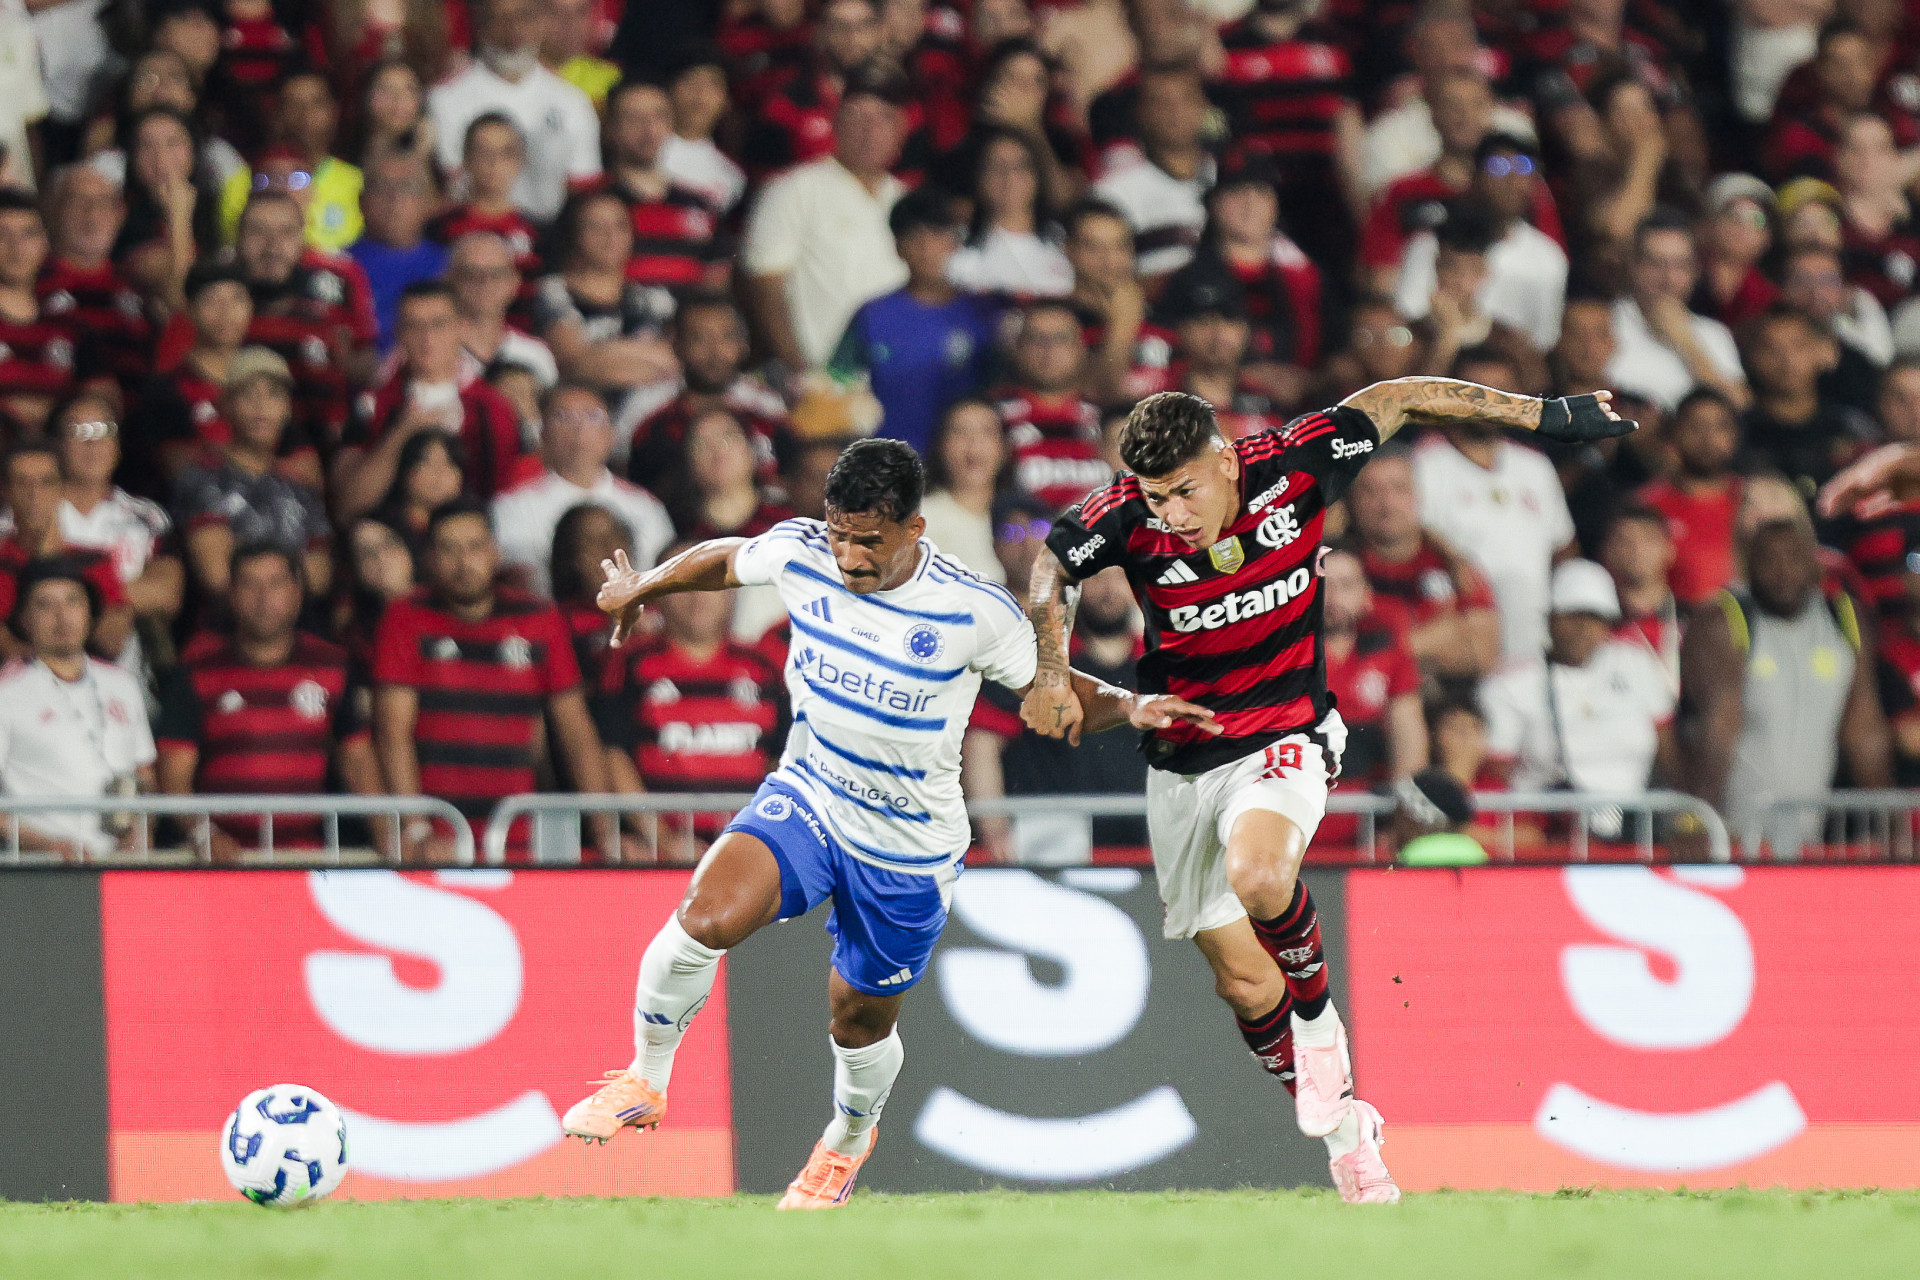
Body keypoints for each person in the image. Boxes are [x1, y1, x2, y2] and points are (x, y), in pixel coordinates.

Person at [1024, 379, 1634, 1202]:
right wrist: (1053, 670)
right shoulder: (1123, 516)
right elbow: (1049, 568)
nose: (1169, 513)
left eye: (1184, 491)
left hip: (1286, 735)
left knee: (1263, 876)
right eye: (1155, 496)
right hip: (1180, 762)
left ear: (1227, 459)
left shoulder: (1298, 464)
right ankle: (1350, 1135)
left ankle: (1319, 1030)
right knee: (1242, 983)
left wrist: (1542, 415)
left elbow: (1400, 396)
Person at [568, 438, 1211, 1207]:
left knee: (857, 1020)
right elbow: (729, 555)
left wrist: (1134, 706)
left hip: (909, 848)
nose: (848, 554)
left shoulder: (973, 610)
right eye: (838, 533)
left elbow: (1060, 686)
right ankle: (646, 1077)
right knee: (704, 916)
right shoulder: (803, 552)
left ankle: (847, 1137)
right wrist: (647, 585)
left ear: (914, 529)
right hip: (811, 795)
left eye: (867, 540)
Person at [371, 498, 625, 859]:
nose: (463, 563)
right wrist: (416, 829)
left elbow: (577, 734)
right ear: (429, 558)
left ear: (494, 553)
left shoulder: (539, 618)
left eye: (474, 547)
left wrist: (605, 831)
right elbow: (393, 734)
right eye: (449, 549)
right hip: (438, 841)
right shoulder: (405, 617)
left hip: (517, 835)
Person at [1681, 515, 1891, 855]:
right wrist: (1697, 821)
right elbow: (1717, 731)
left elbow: (1864, 732)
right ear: (1748, 566)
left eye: (1793, 558)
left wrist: (1887, 823)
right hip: (1736, 838)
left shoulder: (1844, 620)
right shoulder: (1723, 619)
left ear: (1814, 563)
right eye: (1768, 560)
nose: (1782, 573)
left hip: (1809, 837)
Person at [156, 542, 378, 858]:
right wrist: (205, 836)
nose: (264, 598)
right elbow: (174, 776)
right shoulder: (196, 672)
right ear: (231, 595)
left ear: (297, 593)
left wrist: (390, 837)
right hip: (222, 861)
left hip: (307, 859)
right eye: (249, 585)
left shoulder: (332, 665)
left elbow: (358, 762)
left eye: (276, 583)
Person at [594, 563, 785, 852]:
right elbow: (614, 757)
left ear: (731, 593)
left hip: (748, 850)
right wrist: (663, 841)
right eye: (681, 583)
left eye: (709, 583)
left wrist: (753, 841)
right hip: (658, 859)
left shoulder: (765, 667)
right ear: (656, 593)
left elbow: (781, 761)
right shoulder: (628, 665)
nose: (697, 596)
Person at [964, 564, 1148, 862]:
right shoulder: (1037, 657)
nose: (1110, 589)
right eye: (1098, 577)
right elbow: (982, 742)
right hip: (1048, 853)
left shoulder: (1159, 666)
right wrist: (994, 829)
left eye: (1121, 577)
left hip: (1144, 852)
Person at [740, 64, 911, 372]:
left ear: (900, 130)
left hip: (896, 376)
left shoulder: (907, 200)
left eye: (882, 118)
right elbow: (766, 286)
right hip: (821, 377)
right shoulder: (793, 189)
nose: (869, 130)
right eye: (857, 117)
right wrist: (801, 370)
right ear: (836, 124)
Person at [1480, 560, 1676, 814]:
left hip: (1633, 830)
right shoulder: (1510, 684)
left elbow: (1669, 753)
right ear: (1550, 620)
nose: (1583, 628)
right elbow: (1498, 772)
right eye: (1572, 616)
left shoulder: (1636, 665)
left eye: (1595, 618)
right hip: (1548, 832)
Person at [335, 281, 532, 519]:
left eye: (438, 325)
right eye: (414, 326)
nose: (427, 338)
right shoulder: (371, 405)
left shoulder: (496, 408)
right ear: (399, 333)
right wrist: (402, 432)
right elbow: (348, 508)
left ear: (461, 328)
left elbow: (513, 501)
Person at [0, 560, 154, 859]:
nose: (62, 616)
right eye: (45, 605)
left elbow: (144, 774)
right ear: (24, 619)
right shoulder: (6, 693)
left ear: (89, 612)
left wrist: (140, 828)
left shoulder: (122, 684)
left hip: (123, 863)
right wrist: (51, 847)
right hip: (43, 869)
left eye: (73, 601)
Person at [827, 186, 997, 457]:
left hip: (965, 464)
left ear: (955, 242)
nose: (927, 248)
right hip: (889, 465)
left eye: (938, 235)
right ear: (897, 247)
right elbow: (833, 387)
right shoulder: (872, 315)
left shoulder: (983, 313)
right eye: (915, 237)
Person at [1412, 397, 1579, 664]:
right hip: (1468, 619)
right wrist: (1452, 557)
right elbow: (1412, 529)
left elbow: (1563, 544)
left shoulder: (1534, 464)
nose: (1486, 404)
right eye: (1475, 393)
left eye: (1497, 394)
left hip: (1533, 623)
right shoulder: (1425, 460)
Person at [171, 347, 333, 602]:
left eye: (274, 395)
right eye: (248, 394)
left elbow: (321, 577)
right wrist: (285, 584)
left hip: (300, 626)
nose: (261, 407)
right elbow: (218, 577)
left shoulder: (301, 486)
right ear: (226, 406)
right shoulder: (202, 478)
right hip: (227, 630)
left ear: (287, 410)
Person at [491, 383, 673, 596]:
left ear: (612, 434)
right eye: (563, 417)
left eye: (592, 416)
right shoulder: (513, 506)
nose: (578, 429)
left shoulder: (645, 506)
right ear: (542, 434)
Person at [1393, 136, 1569, 355]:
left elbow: (1544, 341)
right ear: (1474, 176)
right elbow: (1408, 316)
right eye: (1499, 167)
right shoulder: (1428, 244)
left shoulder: (1548, 257)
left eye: (1524, 167)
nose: (1512, 180)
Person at [428, 0, 601, 221]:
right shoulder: (445, 99)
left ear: (540, 23)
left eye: (524, 17)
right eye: (500, 19)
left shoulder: (572, 102)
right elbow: (455, 183)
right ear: (481, 25)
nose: (512, 30)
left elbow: (584, 187)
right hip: (473, 231)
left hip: (552, 236)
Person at [48, 392, 184, 663]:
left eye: (103, 430)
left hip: (125, 682)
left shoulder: (148, 517)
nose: (93, 443)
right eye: (80, 431)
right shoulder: (29, 516)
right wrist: (121, 600)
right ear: (57, 444)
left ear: (118, 444)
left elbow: (167, 593)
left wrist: (73, 599)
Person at [1344, 445, 1500, 681]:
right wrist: (1444, 633)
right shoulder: (1337, 569)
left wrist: (1388, 654)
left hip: (1448, 703)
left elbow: (1483, 655)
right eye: (1371, 491)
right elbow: (1341, 666)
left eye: (1399, 489)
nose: (1387, 504)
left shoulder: (1453, 564)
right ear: (1352, 501)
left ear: (1418, 494)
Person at [531, 187, 679, 424]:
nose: (610, 236)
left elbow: (676, 361)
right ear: (576, 235)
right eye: (595, 227)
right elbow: (575, 363)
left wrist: (601, 352)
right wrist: (650, 361)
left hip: (647, 415)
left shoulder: (654, 298)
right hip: (582, 417)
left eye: (619, 226)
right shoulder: (555, 291)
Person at [624, 293, 787, 488]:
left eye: (726, 338)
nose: (715, 352)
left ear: (743, 344)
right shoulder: (645, 408)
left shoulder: (768, 407)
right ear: (678, 344)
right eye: (699, 339)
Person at [1606, 210, 1751, 411]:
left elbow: (1740, 408)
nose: (1668, 279)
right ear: (1633, 266)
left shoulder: (1715, 333)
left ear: (1694, 272)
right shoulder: (1606, 323)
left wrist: (1687, 344)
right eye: (1655, 264)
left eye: (1680, 266)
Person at [0, 441, 131, 663]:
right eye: (23, 483)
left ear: (62, 489)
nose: (35, 494)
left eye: (46, 483)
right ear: (6, 492)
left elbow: (111, 640)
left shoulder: (94, 561)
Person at [596, 78, 726, 293]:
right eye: (633, 118)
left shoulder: (701, 205)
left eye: (659, 116)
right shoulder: (591, 203)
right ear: (610, 128)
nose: (649, 129)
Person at [1092, 64, 1214, 280]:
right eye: (1160, 102)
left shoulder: (1227, 176)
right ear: (1140, 113)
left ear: (1204, 106)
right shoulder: (1113, 192)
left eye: (1186, 99)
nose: (1176, 111)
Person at [1318, 547, 1426, 790]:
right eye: (1324, 585)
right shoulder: (1287, 655)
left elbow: (1409, 741)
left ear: (1366, 595)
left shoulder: (1389, 653)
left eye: (1346, 586)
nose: (1334, 599)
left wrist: (1402, 814)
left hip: (1369, 811)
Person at [995, 299, 1108, 513]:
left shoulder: (1107, 421)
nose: (1048, 349)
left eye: (1061, 339)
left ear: (1081, 349)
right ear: (1018, 348)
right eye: (1036, 339)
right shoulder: (994, 418)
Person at [1637, 388, 1744, 607]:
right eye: (1695, 426)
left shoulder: (1753, 502)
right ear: (1674, 434)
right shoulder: (1648, 506)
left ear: (1734, 436)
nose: (1707, 438)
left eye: (1719, 427)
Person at [945, 125, 1072, 298]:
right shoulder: (955, 250)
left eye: (1020, 167)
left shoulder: (1065, 246)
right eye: (996, 167)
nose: (1009, 177)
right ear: (978, 177)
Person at [347, 152, 449, 353]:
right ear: (361, 200)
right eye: (382, 187)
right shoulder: (339, 268)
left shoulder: (450, 267)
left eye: (407, 187)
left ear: (428, 202)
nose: (394, 198)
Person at [425, 114, 542, 285]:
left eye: (506, 153)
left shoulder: (538, 233)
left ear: (521, 159)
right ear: (466, 158)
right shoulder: (440, 229)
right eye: (483, 152)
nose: (494, 162)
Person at [0, 188, 77, 433]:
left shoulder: (70, 323)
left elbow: (99, 401)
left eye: (28, 234)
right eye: (2, 235)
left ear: (46, 242)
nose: (16, 247)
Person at [447, 231, 557, 389]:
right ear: (450, 280)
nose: (484, 283)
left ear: (514, 282)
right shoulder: (429, 350)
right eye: (471, 273)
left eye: (496, 274)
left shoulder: (536, 355)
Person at [919, 397, 1008, 582]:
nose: (974, 447)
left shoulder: (1022, 520)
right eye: (960, 433)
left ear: (1005, 447)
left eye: (987, 433)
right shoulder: (919, 520)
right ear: (940, 445)